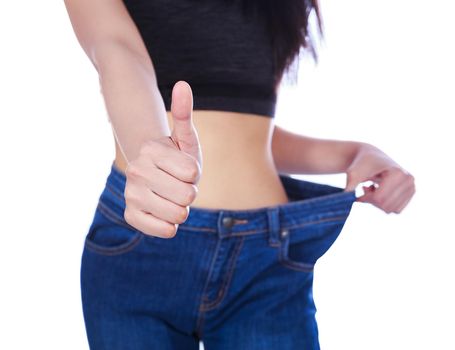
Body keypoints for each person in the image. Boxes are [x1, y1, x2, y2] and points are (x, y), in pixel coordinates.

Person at [64, 0, 416, 349]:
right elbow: (117, 50)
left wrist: (356, 154)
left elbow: (251, 132)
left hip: (266, 258)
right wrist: (150, 150)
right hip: (143, 241)